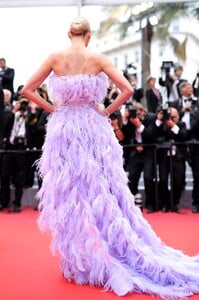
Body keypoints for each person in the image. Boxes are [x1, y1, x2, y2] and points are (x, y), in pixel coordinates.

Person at [21, 17, 199, 299]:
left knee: (72, 193)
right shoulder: (98, 58)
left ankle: (81, 260)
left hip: (65, 127)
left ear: (69, 34)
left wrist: (54, 109)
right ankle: (110, 248)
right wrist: (104, 111)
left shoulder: (55, 57)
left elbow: (26, 89)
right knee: (103, 189)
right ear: (89, 35)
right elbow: (127, 90)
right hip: (93, 126)